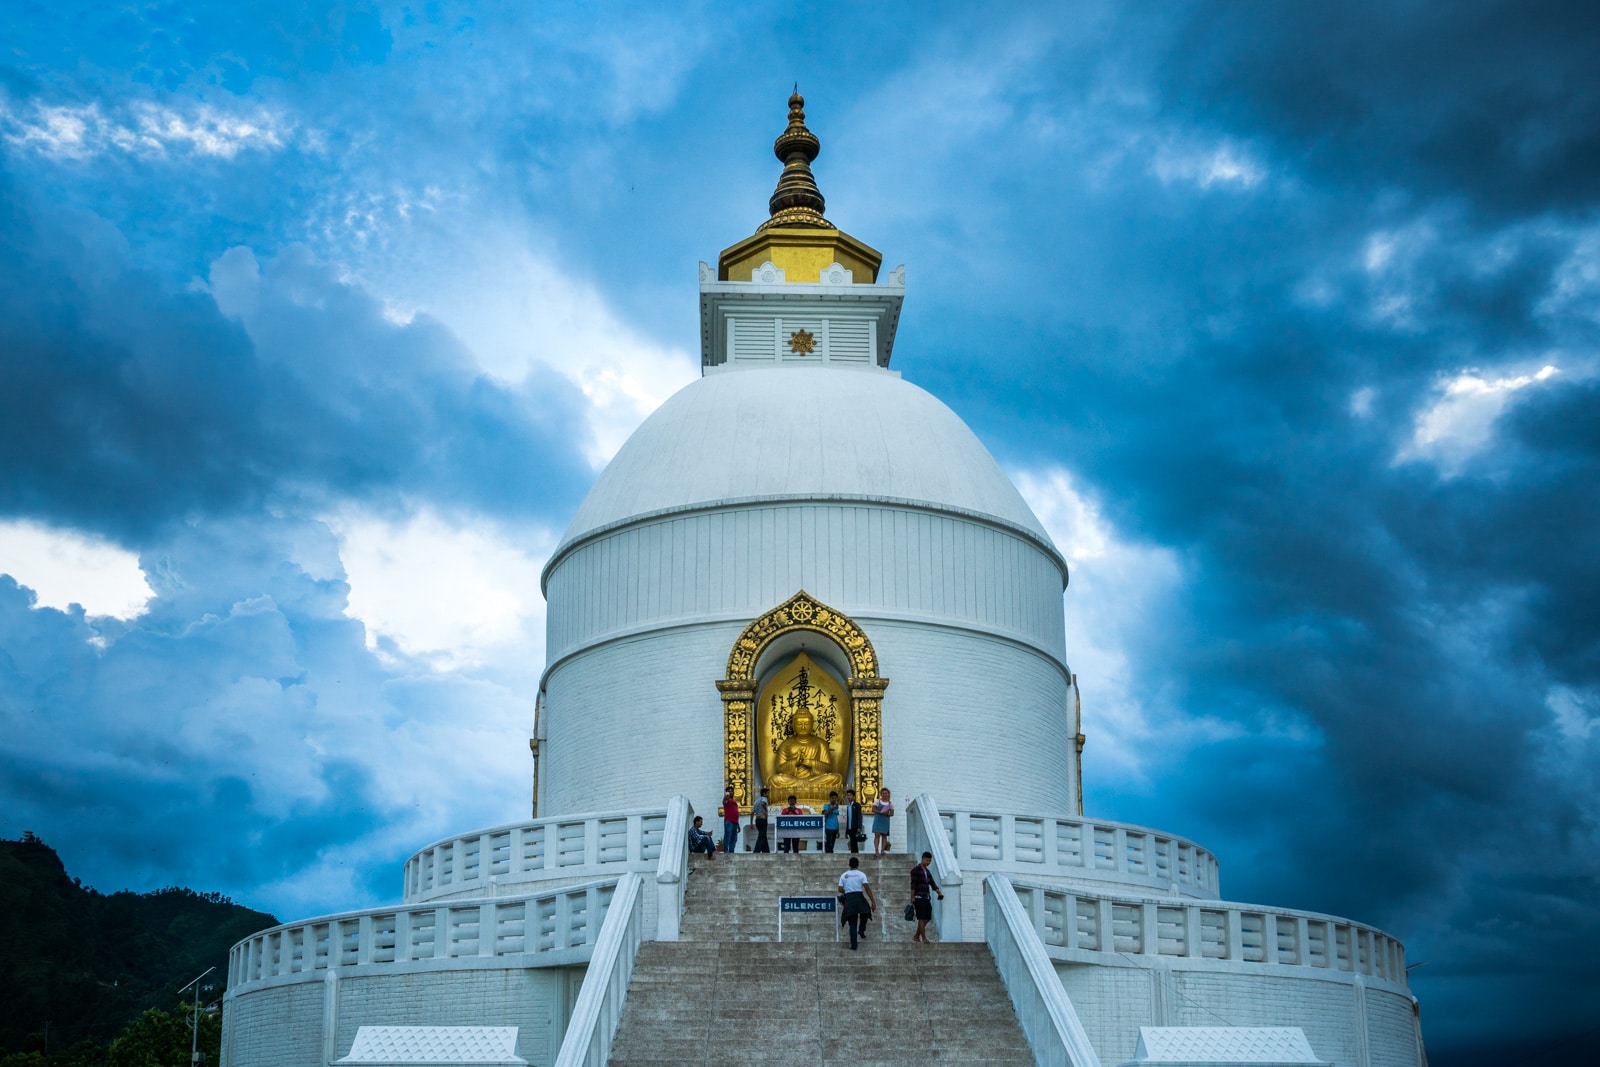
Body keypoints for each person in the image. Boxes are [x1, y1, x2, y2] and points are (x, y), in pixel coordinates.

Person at [768, 709, 844, 794]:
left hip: (815, 780)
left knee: (835, 778)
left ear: (812, 725)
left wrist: (811, 763)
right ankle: (807, 791)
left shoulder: (820, 743)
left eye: (806, 724)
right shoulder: (786, 744)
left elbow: (828, 768)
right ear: (793, 725)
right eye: (799, 724)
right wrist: (795, 762)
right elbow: (779, 769)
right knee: (774, 780)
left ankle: (799, 791)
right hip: (793, 781)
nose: (803, 727)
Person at [837, 856, 878, 950]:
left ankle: (854, 945)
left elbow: (839, 889)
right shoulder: (861, 874)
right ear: (858, 865)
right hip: (859, 897)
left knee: (852, 923)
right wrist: (873, 902)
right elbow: (867, 888)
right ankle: (861, 929)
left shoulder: (844, 875)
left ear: (849, 864)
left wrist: (847, 890)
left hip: (849, 899)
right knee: (866, 913)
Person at [910, 851, 944, 942]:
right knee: (921, 917)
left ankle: (916, 936)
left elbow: (932, 883)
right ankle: (924, 937)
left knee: (928, 917)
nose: (928, 862)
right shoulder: (915, 870)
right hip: (918, 897)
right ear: (922, 859)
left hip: (926, 897)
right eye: (926, 860)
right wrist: (912, 896)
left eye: (929, 861)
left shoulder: (927, 872)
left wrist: (939, 892)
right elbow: (913, 884)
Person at [871, 787, 894, 856]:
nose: (885, 795)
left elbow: (892, 813)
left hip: (885, 820)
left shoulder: (890, 804)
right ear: (881, 794)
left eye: (886, 793)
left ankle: (882, 850)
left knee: (884, 836)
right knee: (877, 835)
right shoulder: (877, 801)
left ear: (888, 794)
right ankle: (876, 850)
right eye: (883, 793)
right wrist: (880, 812)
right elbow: (873, 809)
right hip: (878, 819)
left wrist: (888, 813)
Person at [720, 787, 740, 854]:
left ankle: (731, 851)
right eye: (729, 791)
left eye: (732, 791)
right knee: (728, 835)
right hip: (729, 821)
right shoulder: (727, 800)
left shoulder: (734, 802)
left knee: (734, 838)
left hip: (735, 822)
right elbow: (724, 801)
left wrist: (738, 825)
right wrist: (726, 795)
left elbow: (736, 813)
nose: (731, 792)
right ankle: (726, 850)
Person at [844, 789, 864, 854]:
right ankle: (853, 854)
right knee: (852, 842)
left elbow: (859, 816)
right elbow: (848, 819)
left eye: (850, 795)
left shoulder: (857, 805)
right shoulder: (848, 806)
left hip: (855, 827)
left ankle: (855, 855)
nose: (849, 797)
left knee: (854, 842)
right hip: (850, 828)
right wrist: (846, 831)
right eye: (848, 795)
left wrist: (859, 827)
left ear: (854, 796)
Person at [752, 788, 771, 852]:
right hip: (762, 819)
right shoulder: (764, 799)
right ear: (764, 793)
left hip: (757, 819)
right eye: (767, 793)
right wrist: (766, 811)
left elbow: (752, 812)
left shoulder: (756, 801)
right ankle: (756, 851)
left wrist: (751, 822)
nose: (768, 795)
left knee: (763, 835)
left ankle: (766, 851)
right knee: (761, 836)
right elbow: (763, 803)